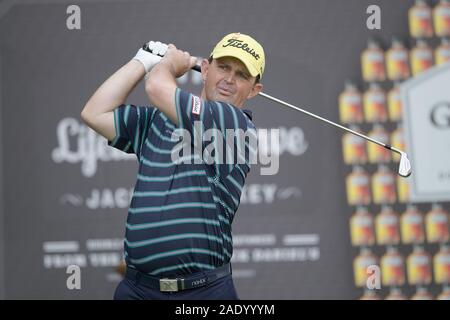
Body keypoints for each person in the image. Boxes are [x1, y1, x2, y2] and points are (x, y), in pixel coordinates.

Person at [81, 32, 265, 300]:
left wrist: (168, 64)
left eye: (242, 75)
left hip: (203, 292)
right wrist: (141, 61)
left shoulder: (236, 125)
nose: (229, 79)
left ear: (254, 90)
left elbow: (157, 88)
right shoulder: (159, 120)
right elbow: (95, 113)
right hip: (138, 290)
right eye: (223, 67)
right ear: (204, 69)